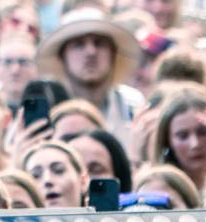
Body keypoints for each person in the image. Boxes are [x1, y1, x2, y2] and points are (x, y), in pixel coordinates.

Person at [34, 8, 145, 141]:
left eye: (99, 44)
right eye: (78, 45)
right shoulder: (45, 110)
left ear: (113, 54)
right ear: (62, 57)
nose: (91, 52)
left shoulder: (132, 106)